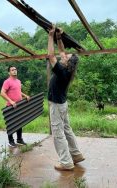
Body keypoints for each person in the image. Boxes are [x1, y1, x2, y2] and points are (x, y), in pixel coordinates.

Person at [47, 26, 85, 171]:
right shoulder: (68, 68)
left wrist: (50, 36)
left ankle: (66, 162)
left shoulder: (62, 71)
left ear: (67, 62)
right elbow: (61, 51)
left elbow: (51, 56)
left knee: (58, 133)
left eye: (66, 57)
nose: (63, 56)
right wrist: (58, 37)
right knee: (67, 129)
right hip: (63, 104)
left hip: (57, 105)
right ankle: (76, 155)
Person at [0, 66, 30, 147]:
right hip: (10, 106)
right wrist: (11, 101)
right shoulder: (7, 81)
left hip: (18, 106)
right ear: (9, 72)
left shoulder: (18, 81)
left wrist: (25, 96)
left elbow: (18, 91)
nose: (14, 71)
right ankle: (11, 141)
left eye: (15, 69)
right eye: (12, 70)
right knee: (11, 124)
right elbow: (2, 93)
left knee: (19, 123)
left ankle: (19, 139)